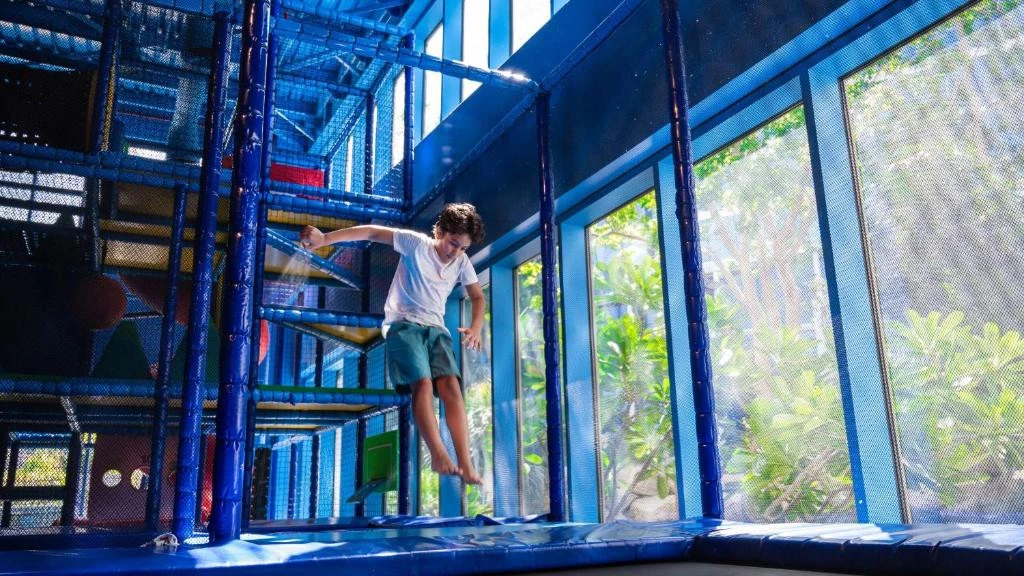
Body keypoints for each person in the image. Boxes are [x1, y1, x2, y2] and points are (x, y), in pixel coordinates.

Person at [300, 203, 485, 485]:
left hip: (436, 329)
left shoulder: (461, 262)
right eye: (452, 244)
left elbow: (477, 297)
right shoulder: (415, 244)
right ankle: (437, 452)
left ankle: (466, 462)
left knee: (451, 388)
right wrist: (325, 239)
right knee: (422, 383)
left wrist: (475, 327)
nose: (455, 252)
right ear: (440, 232)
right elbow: (373, 233)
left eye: (462, 248)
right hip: (403, 325)